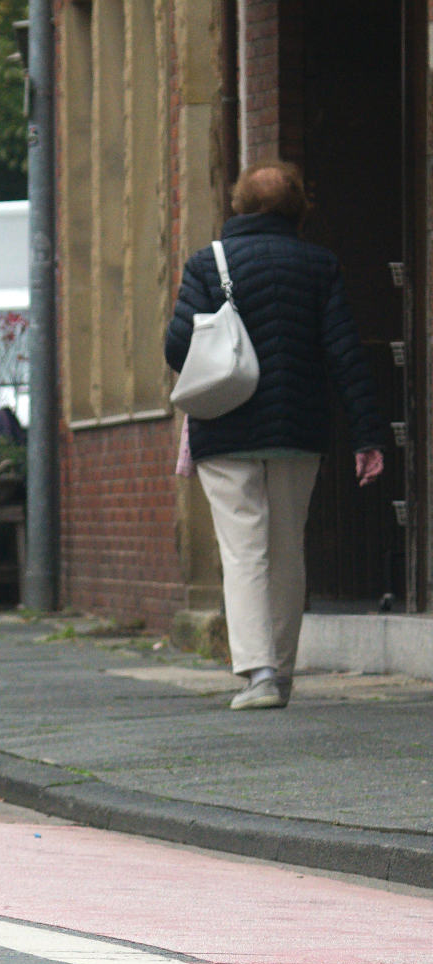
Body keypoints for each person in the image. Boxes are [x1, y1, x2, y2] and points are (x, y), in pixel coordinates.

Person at [165, 162, 386, 711]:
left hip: (224, 426)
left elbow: (176, 348)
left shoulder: (207, 263)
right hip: (296, 429)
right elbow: (343, 353)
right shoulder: (318, 265)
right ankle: (281, 673)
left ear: (238, 204)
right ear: (296, 210)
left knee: (243, 551)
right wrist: (368, 434)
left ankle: (258, 672)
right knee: (287, 549)